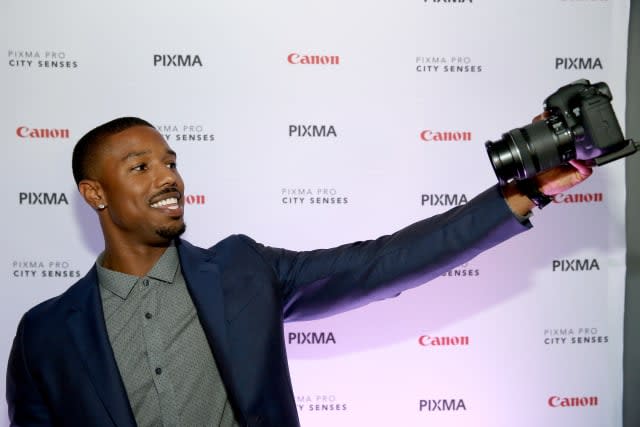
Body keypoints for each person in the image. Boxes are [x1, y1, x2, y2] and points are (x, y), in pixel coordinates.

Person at [6, 117, 592, 427]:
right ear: (95, 193)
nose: (168, 178)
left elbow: (380, 262)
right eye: (140, 166)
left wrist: (524, 193)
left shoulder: (241, 269)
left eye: (171, 162)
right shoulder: (44, 333)